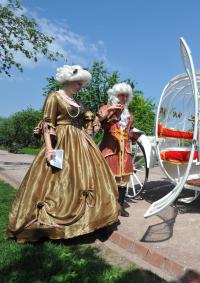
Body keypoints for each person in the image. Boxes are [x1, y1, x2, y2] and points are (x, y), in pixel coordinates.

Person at [7, 65, 120, 242]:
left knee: (87, 178)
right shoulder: (54, 97)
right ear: (67, 80)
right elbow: (47, 123)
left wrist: (104, 116)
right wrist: (50, 149)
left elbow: (88, 128)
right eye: (77, 83)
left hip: (81, 143)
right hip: (61, 142)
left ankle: (93, 222)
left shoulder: (79, 103)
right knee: (59, 179)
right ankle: (51, 224)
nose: (80, 86)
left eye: (82, 83)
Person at [97, 83, 140, 217]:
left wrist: (133, 135)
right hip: (110, 148)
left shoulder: (129, 114)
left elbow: (129, 130)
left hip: (125, 150)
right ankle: (107, 207)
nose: (125, 98)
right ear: (115, 95)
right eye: (122, 95)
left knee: (123, 179)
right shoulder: (106, 108)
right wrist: (111, 111)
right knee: (109, 178)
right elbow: (100, 125)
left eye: (127, 95)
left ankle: (120, 206)